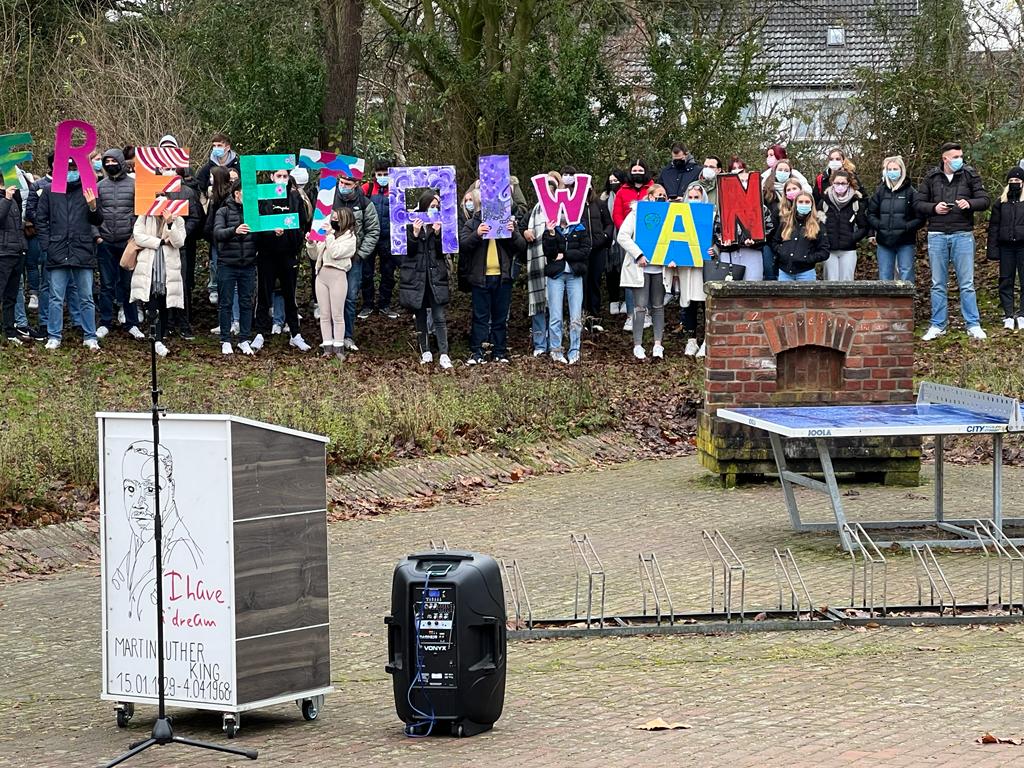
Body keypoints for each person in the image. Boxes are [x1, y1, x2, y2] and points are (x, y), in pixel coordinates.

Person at [915, 141, 990, 341]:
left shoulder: (970, 175)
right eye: (955, 157)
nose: (959, 160)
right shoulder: (931, 177)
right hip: (937, 234)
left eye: (960, 156)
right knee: (938, 283)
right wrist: (934, 208)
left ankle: (973, 324)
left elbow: (984, 200)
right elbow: (918, 204)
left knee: (967, 283)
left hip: (962, 234)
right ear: (945, 158)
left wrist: (970, 203)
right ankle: (938, 325)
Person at [36, 160, 103, 350]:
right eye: (68, 169)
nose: (71, 172)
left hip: (82, 250)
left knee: (86, 297)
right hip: (57, 251)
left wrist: (92, 206)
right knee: (56, 297)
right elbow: (41, 219)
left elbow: (98, 220)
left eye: (74, 169)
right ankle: (54, 335)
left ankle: (90, 335)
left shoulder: (88, 190)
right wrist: (47, 245)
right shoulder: (49, 191)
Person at [616, 183, 678, 360]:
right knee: (640, 306)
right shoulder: (636, 213)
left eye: (664, 195)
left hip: (660, 269)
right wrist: (638, 255)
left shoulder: (670, 215)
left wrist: (673, 258)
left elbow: (675, 240)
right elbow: (623, 236)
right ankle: (638, 345)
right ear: (649, 196)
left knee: (658, 306)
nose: (661, 198)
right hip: (641, 267)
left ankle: (658, 344)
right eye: (657, 194)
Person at [459, 205, 527, 365]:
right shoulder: (472, 223)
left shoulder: (507, 222)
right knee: (480, 317)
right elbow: (463, 246)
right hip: (480, 279)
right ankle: (478, 352)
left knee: (500, 318)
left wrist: (513, 233)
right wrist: (477, 234)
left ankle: (499, 352)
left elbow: (522, 246)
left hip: (503, 278)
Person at [253, 169, 312, 353]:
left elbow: (302, 223)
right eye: (278, 176)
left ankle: (295, 334)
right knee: (264, 294)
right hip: (267, 254)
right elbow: (257, 225)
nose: (282, 180)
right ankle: (260, 333)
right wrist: (272, 232)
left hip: (288, 254)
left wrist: (292, 238)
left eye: (285, 176)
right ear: (271, 177)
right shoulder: (262, 197)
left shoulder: (294, 198)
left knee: (289, 295)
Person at [400, 191, 453, 369]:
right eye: (431, 206)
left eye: (437, 207)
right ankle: (425, 351)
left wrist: (437, 235)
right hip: (417, 279)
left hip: (435, 278)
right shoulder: (410, 223)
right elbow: (407, 252)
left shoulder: (441, 224)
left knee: (439, 316)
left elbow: (442, 252)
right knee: (420, 316)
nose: (435, 209)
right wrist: (414, 234)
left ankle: (444, 353)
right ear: (423, 206)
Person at [96, 148, 142, 340]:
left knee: (128, 284)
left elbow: (140, 212)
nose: (110, 165)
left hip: (127, 242)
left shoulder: (134, 185)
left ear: (121, 162)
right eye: (107, 162)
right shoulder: (100, 186)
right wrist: (97, 236)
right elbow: (92, 213)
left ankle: (132, 323)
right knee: (106, 285)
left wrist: (135, 236)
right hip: (105, 241)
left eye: (114, 161)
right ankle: (105, 322)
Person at [130, 202, 186, 357]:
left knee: (164, 303)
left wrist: (170, 223)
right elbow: (138, 237)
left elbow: (179, 242)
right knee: (152, 304)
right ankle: (157, 339)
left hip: (168, 268)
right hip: (149, 267)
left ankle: (160, 337)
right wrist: (159, 242)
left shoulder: (178, 218)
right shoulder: (145, 216)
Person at [332, 174, 380, 352]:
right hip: (333, 259)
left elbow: (373, 231)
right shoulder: (329, 198)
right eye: (341, 182)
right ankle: (331, 336)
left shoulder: (366, 203)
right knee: (332, 298)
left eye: (347, 184)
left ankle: (347, 335)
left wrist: (360, 254)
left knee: (350, 298)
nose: (343, 186)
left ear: (356, 184)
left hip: (354, 260)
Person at [542, 202, 592, 364]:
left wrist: (564, 254)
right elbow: (548, 252)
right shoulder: (551, 227)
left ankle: (574, 350)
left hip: (575, 275)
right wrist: (550, 233)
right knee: (556, 315)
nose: (563, 213)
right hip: (555, 276)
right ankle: (556, 350)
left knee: (576, 316)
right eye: (560, 210)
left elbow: (585, 250)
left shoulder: (580, 227)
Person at [213, 181, 258, 355]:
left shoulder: (252, 212)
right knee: (226, 303)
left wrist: (274, 232)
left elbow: (260, 235)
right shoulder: (223, 211)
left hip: (248, 265)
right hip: (227, 264)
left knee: (247, 302)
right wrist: (234, 230)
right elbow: (217, 233)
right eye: (245, 193)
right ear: (237, 194)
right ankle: (225, 339)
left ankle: (244, 339)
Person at [305, 208, 355, 359]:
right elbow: (315, 255)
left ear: (344, 219)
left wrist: (329, 236)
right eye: (332, 217)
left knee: (337, 314)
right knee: (324, 314)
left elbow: (335, 253)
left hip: (338, 276)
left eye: (336, 218)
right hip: (322, 276)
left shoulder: (350, 238)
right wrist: (311, 243)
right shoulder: (327, 236)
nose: (333, 220)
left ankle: (338, 347)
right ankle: (327, 346)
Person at [866, 156, 921, 282]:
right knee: (884, 275)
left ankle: (906, 301)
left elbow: (920, 217)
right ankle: (886, 302)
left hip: (905, 241)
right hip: (884, 242)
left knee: (906, 273)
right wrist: (880, 226)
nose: (892, 172)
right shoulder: (880, 191)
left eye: (895, 169)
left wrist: (906, 227)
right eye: (889, 169)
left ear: (902, 170)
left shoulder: (911, 192)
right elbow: (871, 213)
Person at [359, 160, 398, 319]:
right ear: (374, 174)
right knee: (366, 273)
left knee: (388, 273)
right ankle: (367, 304)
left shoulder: (396, 190)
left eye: (385, 174)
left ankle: (385, 304)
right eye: (379, 174)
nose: (382, 177)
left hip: (389, 238)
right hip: (369, 237)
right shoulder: (366, 189)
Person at [987, 167, 1024, 331]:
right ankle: (1008, 315)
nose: (1014, 183)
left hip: (1023, 246)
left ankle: (1022, 314)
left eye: (1017, 181)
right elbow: (994, 227)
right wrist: (993, 250)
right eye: (1011, 181)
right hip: (1006, 247)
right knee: (1005, 281)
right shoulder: (1000, 202)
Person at [719, 164, 769, 281]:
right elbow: (717, 228)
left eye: (747, 181)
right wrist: (723, 241)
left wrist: (756, 241)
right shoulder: (724, 206)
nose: (744, 184)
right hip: (730, 253)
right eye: (741, 181)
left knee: (753, 288)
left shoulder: (762, 208)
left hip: (752, 252)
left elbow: (768, 228)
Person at [818, 170, 867, 280]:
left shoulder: (856, 203)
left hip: (848, 250)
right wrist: (825, 239)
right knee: (831, 281)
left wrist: (852, 238)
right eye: (837, 183)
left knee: (847, 281)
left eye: (843, 183)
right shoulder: (825, 202)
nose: (840, 186)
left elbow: (864, 227)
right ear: (832, 183)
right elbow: (818, 224)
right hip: (829, 250)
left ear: (848, 183)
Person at [523, 177, 554, 356]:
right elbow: (521, 228)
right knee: (539, 305)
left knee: (554, 306)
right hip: (537, 265)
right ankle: (540, 344)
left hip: (555, 264)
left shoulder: (562, 210)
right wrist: (525, 232)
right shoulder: (533, 211)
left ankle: (554, 343)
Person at [680, 183, 710, 357]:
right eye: (690, 197)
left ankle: (707, 340)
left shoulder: (711, 216)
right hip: (686, 268)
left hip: (704, 267)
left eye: (696, 198)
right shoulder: (677, 217)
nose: (692, 201)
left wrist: (715, 249)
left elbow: (717, 237)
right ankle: (691, 340)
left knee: (706, 302)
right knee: (688, 302)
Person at [772, 191, 830, 281]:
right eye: (800, 202)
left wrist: (807, 258)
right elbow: (775, 241)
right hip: (784, 271)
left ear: (812, 204)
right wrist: (782, 251)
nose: (804, 204)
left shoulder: (818, 224)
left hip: (806, 272)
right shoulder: (785, 222)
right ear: (795, 204)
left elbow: (824, 251)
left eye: (807, 202)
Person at [601, 170, 630, 318]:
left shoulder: (626, 195)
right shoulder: (604, 198)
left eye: (616, 181)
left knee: (625, 267)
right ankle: (613, 300)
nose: (614, 184)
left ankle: (626, 299)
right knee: (610, 269)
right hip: (609, 237)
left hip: (624, 234)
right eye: (611, 181)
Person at [0, 179, 26, 345]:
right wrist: (7, 199)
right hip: (2, 253)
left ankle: (10, 330)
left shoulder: (14, 194)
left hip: (17, 252)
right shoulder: (7, 197)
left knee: (11, 296)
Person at [612, 159, 654, 229]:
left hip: (648, 229)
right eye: (634, 171)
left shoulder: (653, 189)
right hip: (627, 231)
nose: (637, 173)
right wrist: (624, 228)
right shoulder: (621, 191)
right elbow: (617, 215)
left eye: (640, 171)